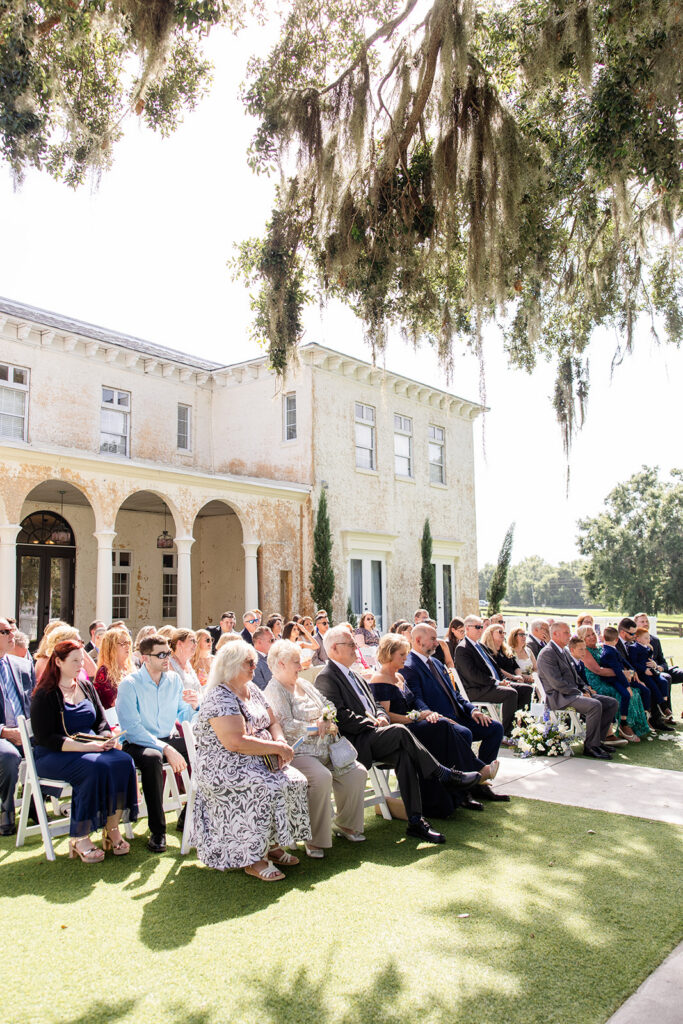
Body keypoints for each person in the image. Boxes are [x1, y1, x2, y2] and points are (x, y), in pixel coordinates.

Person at [315, 626, 481, 844]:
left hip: (378, 733)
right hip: (358, 740)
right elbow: (340, 716)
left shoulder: (354, 675)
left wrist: (381, 716)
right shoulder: (326, 677)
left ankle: (416, 821)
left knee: (405, 755)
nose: (356, 648)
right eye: (351, 645)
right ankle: (444, 774)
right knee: (402, 731)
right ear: (335, 649)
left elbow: (376, 704)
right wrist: (373, 723)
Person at [188, 640, 310, 881]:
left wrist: (280, 742)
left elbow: (273, 721)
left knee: (295, 780)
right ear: (232, 665)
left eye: (254, 661)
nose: (255, 666)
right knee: (265, 787)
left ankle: (272, 845)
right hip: (226, 766)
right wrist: (276, 748)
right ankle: (253, 859)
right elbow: (235, 742)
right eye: (249, 662)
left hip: (259, 759)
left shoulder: (252, 688)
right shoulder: (219, 696)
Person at [30, 639, 138, 861]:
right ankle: (80, 837)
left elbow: (101, 721)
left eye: (82, 660)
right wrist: (88, 747)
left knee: (123, 761)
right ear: (58, 662)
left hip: (92, 747)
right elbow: (46, 738)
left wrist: (106, 737)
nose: (81, 665)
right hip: (55, 753)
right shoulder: (45, 693)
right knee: (92, 768)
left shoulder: (86, 687)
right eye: (74, 660)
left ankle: (112, 827)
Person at [370, 633, 499, 817]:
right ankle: (475, 771)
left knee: (444, 725)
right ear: (389, 654)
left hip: (413, 723)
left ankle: (462, 785)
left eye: (406, 654)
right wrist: (416, 718)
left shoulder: (399, 677)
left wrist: (429, 714)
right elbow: (387, 715)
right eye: (402, 655)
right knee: (442, 727)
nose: (405, 658)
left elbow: (414, 703)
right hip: (401, 731)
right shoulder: (380, 679)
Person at [265, 639, 367, 857]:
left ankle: (346, 824)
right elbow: (285, 725)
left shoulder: (304, 684)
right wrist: (315, 727)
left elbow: (328, 704)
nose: (301, 666)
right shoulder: (274, 689)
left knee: (357, 772)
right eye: (296, 662)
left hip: (327, 748)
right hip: (299, 752)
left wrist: (326, 718)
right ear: (281, 664)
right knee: (321, 777)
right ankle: (314, 838)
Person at [401, 624, 508, 804]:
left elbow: (455, 694)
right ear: (418, 641)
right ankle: (466, 789)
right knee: (464, 733)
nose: (437, 643)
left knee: (495, 728)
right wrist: (432, 714)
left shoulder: (436, 662)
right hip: (440, 721)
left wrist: (473, 710)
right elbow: (416, 699)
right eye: (433, 639)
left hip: (460, 715)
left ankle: (479, 784)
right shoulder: (409, 666)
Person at [116, 634, 199, 853]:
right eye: (161, 654)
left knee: (203, 751)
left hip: (167, 739)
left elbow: (183, 715)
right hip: (136, 743)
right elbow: (132, 729)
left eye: (168, 653)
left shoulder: (173, 680)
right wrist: (165, 748)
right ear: (145, 658)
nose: (166, 658)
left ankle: (188, 816)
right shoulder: (129, 684)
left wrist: (194, 706)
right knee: (153, 758)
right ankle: (158, 831)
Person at [537, 622, 618, 759]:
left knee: (611, 703)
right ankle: (590, 747)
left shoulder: (564, 651)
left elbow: (576, 677)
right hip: (559, 697)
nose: (569, 635)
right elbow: (557, 683)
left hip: (572, 694)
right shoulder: (547, 653)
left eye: (569, 632)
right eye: (566, 632)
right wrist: (580, 693)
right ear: (555, 634)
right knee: (594, 705)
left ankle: (598, 741)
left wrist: (585, 689)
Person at [576, 626, 648, 741]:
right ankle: (623, 725)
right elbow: (598, 670)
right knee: (620, 693)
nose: (592, 637)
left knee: (635, 691)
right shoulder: (585, 651)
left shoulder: (602, 647)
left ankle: (632, 724)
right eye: (587, 636)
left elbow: (617, 662)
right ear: (582, 638)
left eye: (593, 634)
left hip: (611, 678)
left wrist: (630, 671)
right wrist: (622, 673)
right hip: (597, 681)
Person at [454, 615, 520, 740]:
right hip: (477, 689)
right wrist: (496, 683)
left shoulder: (480, 646)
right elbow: (473, 675)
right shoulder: (463, 648)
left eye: (481, 627)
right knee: (511, 693)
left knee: (525, 689)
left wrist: (503, 680)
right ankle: (505, 735)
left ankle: (519, 729)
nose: (480, 630)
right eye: (477, 627)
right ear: (467, 628)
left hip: (491, 685)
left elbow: (494, 667)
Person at [0, 615, 36, 835]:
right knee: (9, 755)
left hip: (27, 731)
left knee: (52, 746)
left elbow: (33, 703)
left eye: (11, 630)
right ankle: (6, 811)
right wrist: (5, 732)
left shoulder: (23, 665)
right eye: (5, 632)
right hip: (2, 734)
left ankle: (34, 806)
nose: (11, 634)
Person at [616, 618, 672, 730]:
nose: (634, 636)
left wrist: (654, 664)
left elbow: (649, 657)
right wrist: (638, 672)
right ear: (622, 632)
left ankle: (659, 716)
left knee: (663, 679)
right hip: (628, 676)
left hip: (641, 672)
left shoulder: (633, 642)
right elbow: (624, 665)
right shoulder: (617, 644)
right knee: (649, 687)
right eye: (632, 633)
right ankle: (653, 717)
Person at [481, 624, 534, 711]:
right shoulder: (487, 650)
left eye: (504, 632)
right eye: (500, 632)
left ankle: (523, 715)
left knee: (529, 689)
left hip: (514, 679)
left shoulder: (505, 650)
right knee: (525, 689)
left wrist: (519, 676)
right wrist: (513, 677)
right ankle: (517, 716)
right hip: (503, 680)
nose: (503, 634)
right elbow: (497, 668)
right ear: (490, 633)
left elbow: (515, 666)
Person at [633, 613, 683, 688]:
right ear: (635, 624)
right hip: (646, 672)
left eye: (647, 621)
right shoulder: (633, 641)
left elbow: (663, 662)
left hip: (658, 668)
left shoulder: (655, 640)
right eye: (642, 622)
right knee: (666, 677)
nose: (645, 624)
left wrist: (660, 667)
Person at [93, 627, 135, 711]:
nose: (127, 646)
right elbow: (113, 703)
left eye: (128, 642)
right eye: (123, 643)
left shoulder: (130, 668)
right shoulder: (104, 672)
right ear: (111, 647)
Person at [169, 629, 202, 697]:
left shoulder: (188, 664)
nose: (195, 645)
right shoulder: (169, 664)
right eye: (192, 641)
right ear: (180, 643)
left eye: (196, 642)